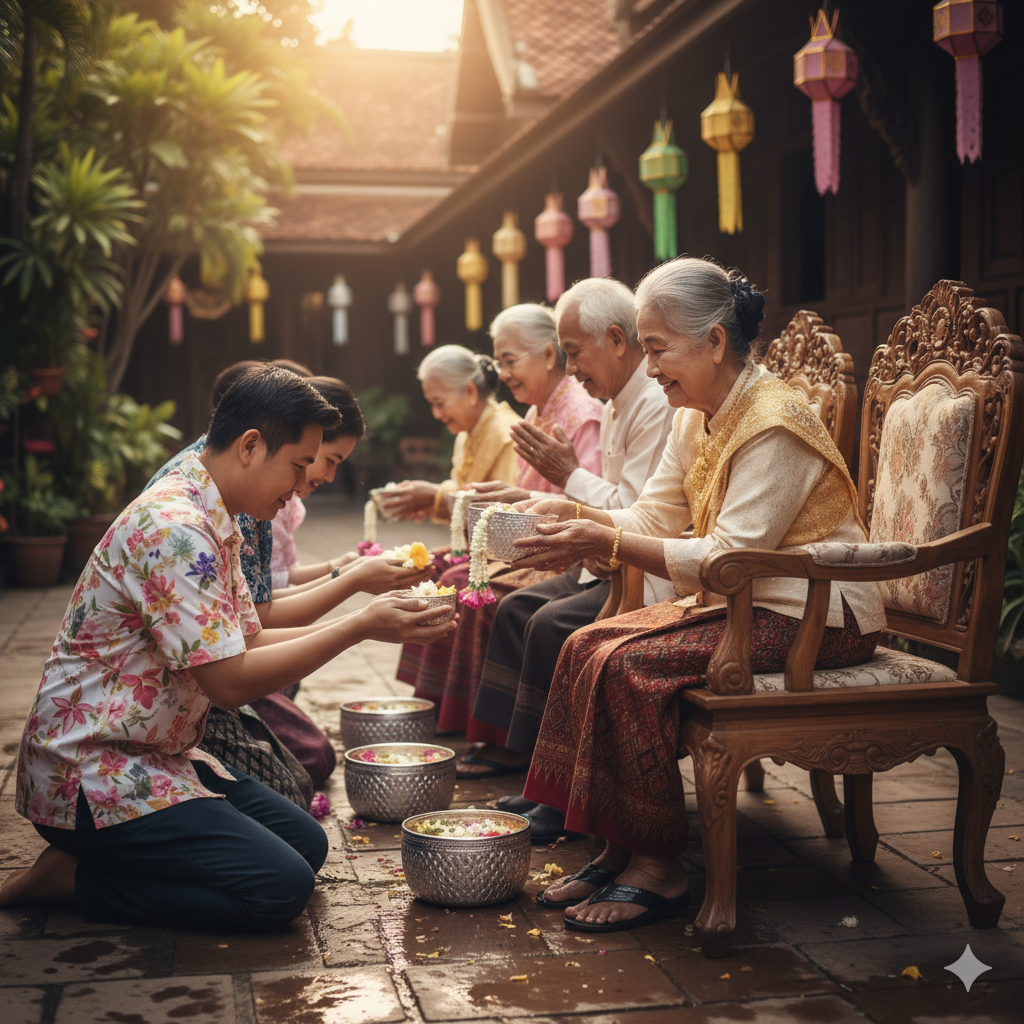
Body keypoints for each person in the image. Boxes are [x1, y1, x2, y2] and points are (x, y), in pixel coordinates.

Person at [2, 366, 455, 930]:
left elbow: (249, 635)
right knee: (278, 889)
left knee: (306, 844)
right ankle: (73, 877)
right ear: (249, 446)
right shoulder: (177, 525)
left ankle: (109, 857)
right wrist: (358, 624)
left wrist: (364, 620)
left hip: (157, 755)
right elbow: (228, 682)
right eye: (298, 465)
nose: (299, 486)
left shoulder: (216, 511)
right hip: (94, 769)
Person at [510, 258, 886, 932]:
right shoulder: (697, 416)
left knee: (626, 663)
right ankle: (616, 848)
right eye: (646, 350)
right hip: (750, 605)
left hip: (818, 616)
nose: (650, 369)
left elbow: (725, 560)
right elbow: (652, 521)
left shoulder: (774, 419)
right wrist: (580, 526)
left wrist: (603, 543)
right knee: (583, 643)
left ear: (714, 341)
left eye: (658, 349)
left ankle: (659, 867)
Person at [459, 279, 675, 810]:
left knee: (548, 624)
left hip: (645, 568)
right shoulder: (623, 397)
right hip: (615, 559)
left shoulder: (652, 401)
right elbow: (638, 508)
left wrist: (569, 480)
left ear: (618, 341)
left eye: (574, 352)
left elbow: (638, 514)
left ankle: (562, 792)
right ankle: (540, 774)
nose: (571, 369)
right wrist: (551, 492)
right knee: (518, 609)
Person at [395, 306, 604, 735]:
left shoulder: (582, 412)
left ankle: (485, 729)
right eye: (500, 362)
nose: (502, 373)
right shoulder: (535, 412)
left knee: (468, 589)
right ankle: (441, 705)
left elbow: (584, 501)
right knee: (442, 573)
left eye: (509, 360)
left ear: (548, 356)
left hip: (562, 548)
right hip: (527, 540)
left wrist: (441, 499)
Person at [377, 345, 521, 524]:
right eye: (431, 404)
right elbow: (462, 488)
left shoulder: (507, 435)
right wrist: (428, 500)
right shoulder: (466, 433)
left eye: (439, 403)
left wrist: (435, 497)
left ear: (470, 391)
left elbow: (509, 514)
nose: (436, 414)